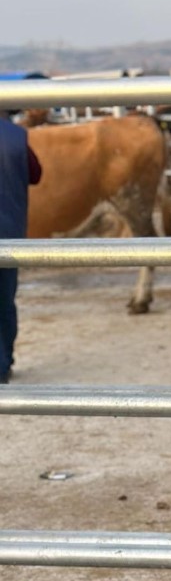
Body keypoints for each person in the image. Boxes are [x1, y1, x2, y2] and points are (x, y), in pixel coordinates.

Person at [0, 109, 42, 383]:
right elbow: (36, 174)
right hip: (9, 231)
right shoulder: (16, 136)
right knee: (5, 300)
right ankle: (3, 365)